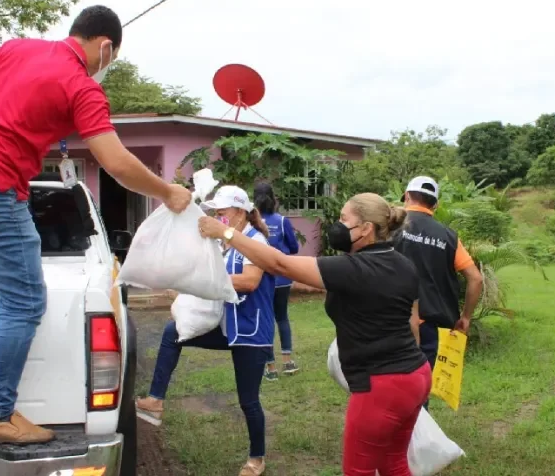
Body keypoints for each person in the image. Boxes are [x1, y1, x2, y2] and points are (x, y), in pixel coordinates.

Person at [0, 5, 192, 445]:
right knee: (26, 301)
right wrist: (168, 192)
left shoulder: (19, 49)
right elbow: (116, 163)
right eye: (111, 58)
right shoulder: (82, 87)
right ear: (106, 46)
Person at [198, 193, 429, 476]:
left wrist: (224, 231)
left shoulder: (354, 269)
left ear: (366, 228)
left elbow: (279, 264)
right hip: (416, 374)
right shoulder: (403, 263)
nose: (338, 225)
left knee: (359, 470)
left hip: (381, 385)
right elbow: (413, 322)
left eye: (345, 220)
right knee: (394, 463)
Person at [136, 185, 275, 476]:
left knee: (248, 400)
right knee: (172, 332)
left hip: (251, 332)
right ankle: (156, 400)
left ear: (239, 212)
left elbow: (250, 281)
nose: (218, 218)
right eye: (216, 214)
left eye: (222, 213)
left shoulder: (255, 239)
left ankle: (257, 458)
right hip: (227, 327)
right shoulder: (227, 242)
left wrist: (208, 278)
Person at [392, 176, 483, 408]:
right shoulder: (448, 236)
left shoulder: (391, 227)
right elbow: (475, 278)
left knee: (390, 384)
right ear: (436, 205)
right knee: (420, 388)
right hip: (432, 325)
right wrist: (465, 317)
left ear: (407, 196)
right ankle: (419, 432)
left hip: (392, 320)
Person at [252, 182, 301, 381]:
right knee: (282, 318)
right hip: (282, 278)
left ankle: (270, 368)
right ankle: (288, 362)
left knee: (266, 319)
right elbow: (294, 248)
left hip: (261, 278)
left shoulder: (252, 224)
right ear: (274, 199)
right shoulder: (282, 221)